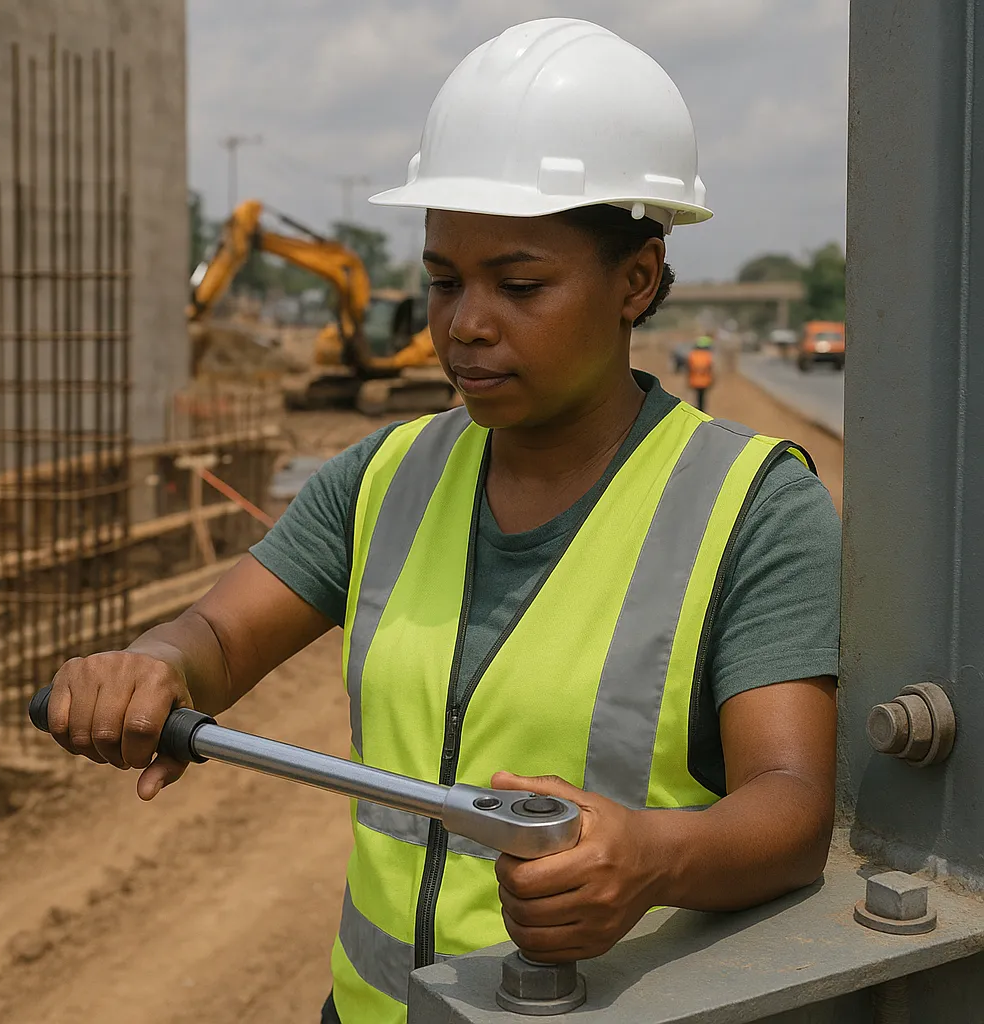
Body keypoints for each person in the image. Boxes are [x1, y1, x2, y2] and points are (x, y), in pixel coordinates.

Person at [42, 19, 840, 1024]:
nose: (464, 322)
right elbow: (211, 640)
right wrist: (151, 660)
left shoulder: (751, 506)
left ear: (636, 277)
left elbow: (791, 803)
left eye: (517, 285)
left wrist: (649, 857)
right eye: (442, 279)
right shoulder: (381, 477)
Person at [687, 335, 715, 411]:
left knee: (697, 397)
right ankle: (702, 410)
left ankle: (699, 410)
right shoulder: (708, 356)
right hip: (705, 381)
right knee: (702, 398)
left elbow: (689, 369)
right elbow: (710, 369)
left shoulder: (692, 355)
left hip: (694, 380)